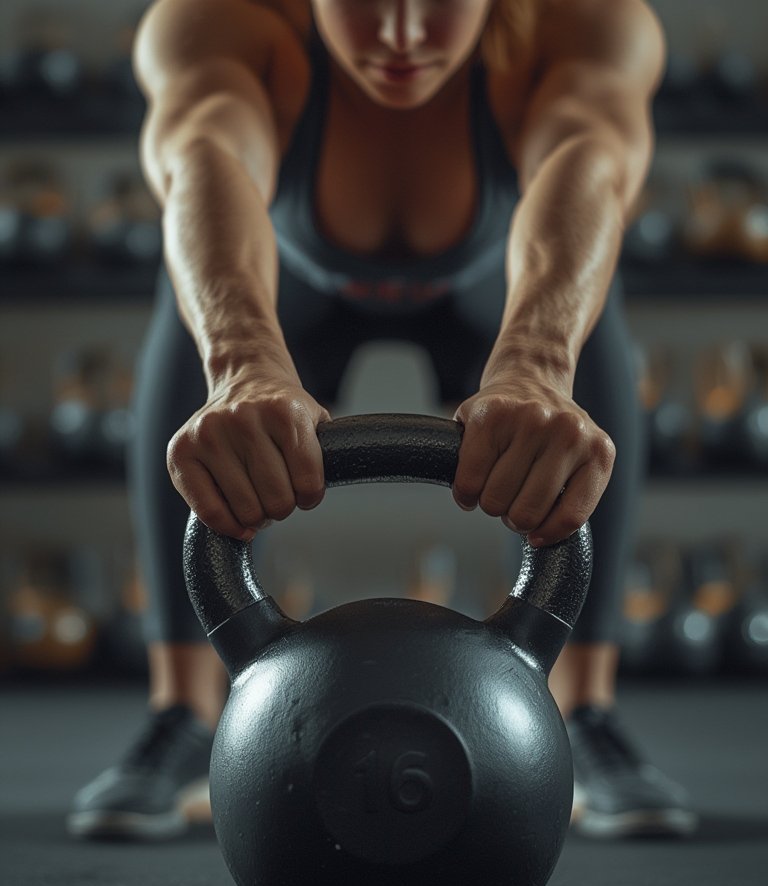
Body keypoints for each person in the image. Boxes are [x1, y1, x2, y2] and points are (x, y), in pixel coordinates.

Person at [68, 0, 698, 842]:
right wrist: (241, 363)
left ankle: (583, 708)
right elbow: (201, 157)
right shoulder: (217, 20)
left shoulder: (581, 22)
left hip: (494, 288)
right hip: (291, 287)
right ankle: (182, 712)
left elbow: (592, 164)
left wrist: (540, 364)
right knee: (195, 323)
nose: (401, 35)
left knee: (584, 329)